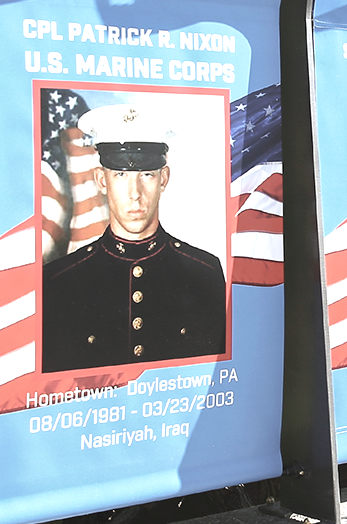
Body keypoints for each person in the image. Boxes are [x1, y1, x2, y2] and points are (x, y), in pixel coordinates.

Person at [42, 104, 226, 370]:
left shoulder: (204, 270)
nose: (135, 193)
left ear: (164, 179)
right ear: (102, 181)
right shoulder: (60, 281)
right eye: (120, 175)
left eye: (147, 175)